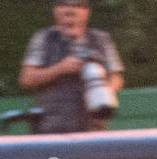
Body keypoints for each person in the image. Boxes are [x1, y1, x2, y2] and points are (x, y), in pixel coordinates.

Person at [19, 0, 124, 133]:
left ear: (86, 12)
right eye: (64, 4)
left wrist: (102, 90)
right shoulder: (45, 39)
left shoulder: (101, 39)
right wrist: (60, 68)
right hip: (51, 130)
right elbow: (26, 79)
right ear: (56, 10)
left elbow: (116, 77)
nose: (70, 11)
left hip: (93, 130)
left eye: (77, 5)